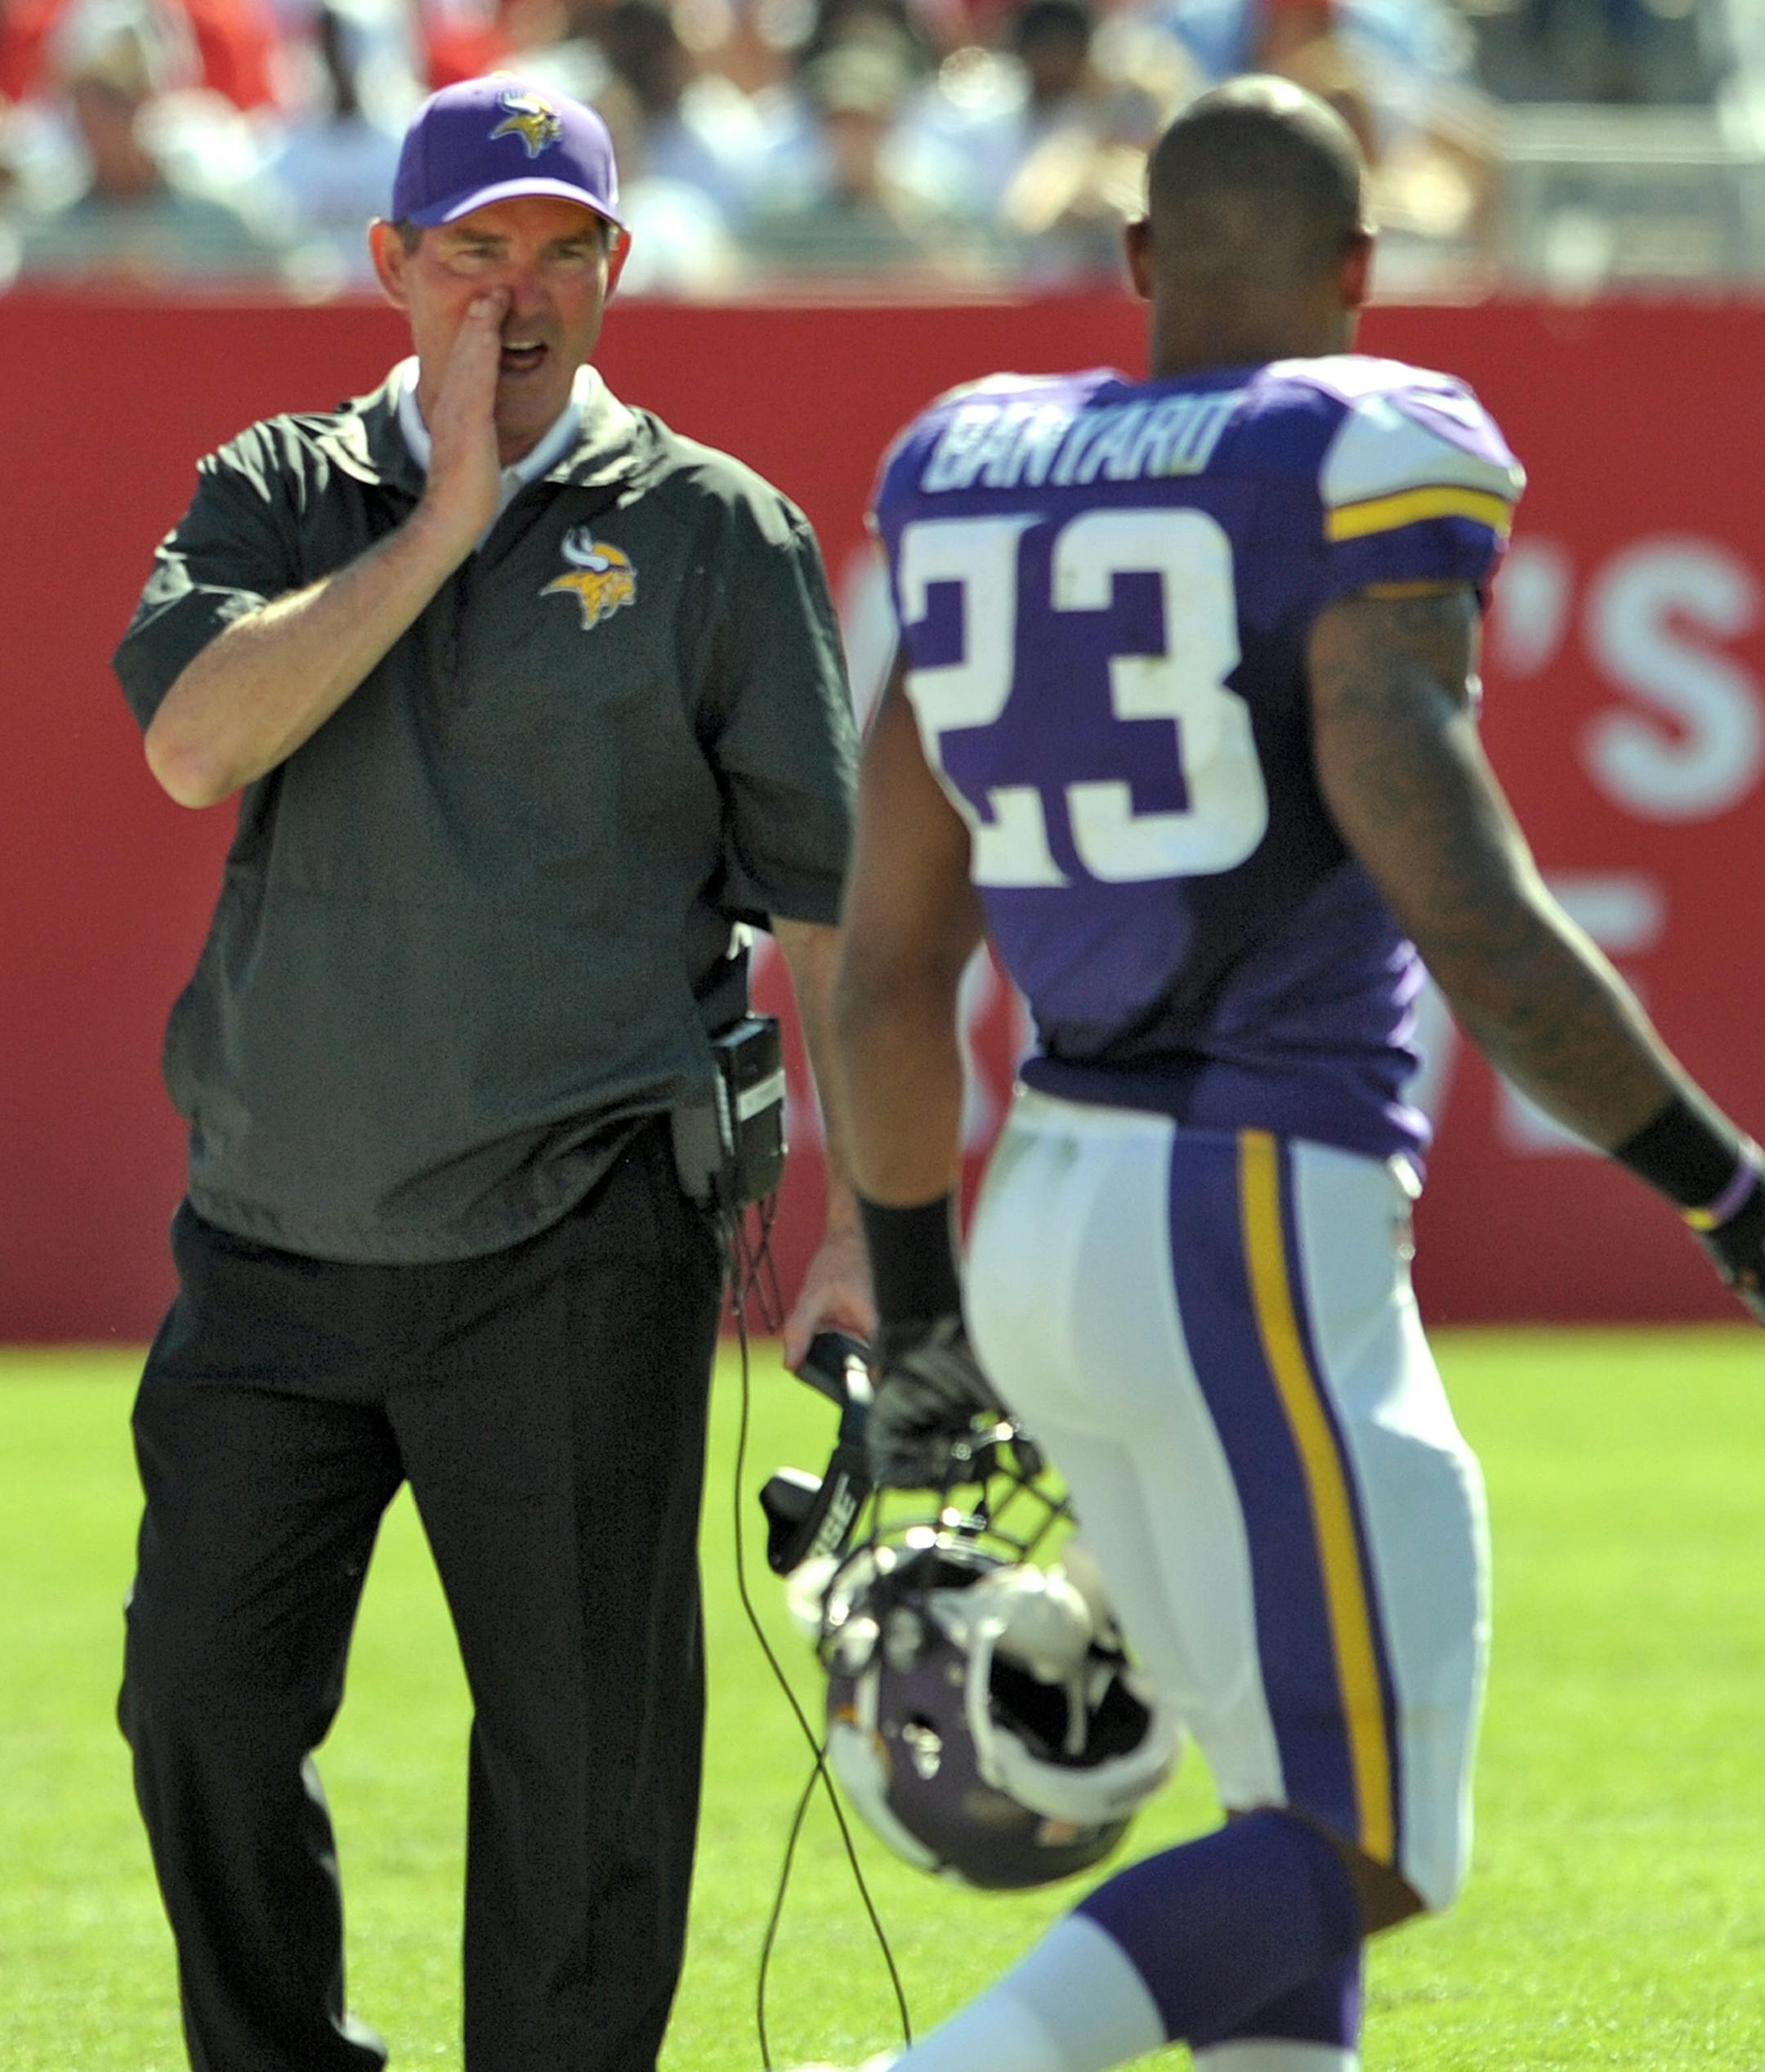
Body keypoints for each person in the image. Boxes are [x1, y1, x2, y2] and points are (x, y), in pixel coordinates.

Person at [811, 74, 1765, 2072]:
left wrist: (916, 1317)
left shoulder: (973, 460)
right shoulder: (1357, 447)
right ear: (1362, 272)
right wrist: (1721, 1183)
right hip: (1241, 1199)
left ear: (1143, 260)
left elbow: (892, 967)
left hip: (1051, 1218)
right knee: (1367, 1832)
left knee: (1277, 1810)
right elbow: (1473, 919)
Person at [112, 71, 871, 2072]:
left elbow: (833, 910)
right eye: (476, 253)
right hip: (274, 1236)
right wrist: (449, 516)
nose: (517, 298)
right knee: (193, 1706)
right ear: (393, 263)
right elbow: (198, 743)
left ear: (618, 270)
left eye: (562, 253)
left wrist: (876, 1230)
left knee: (583, 1774)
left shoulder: (716, 533)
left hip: (575, 1230)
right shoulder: (273, 484)